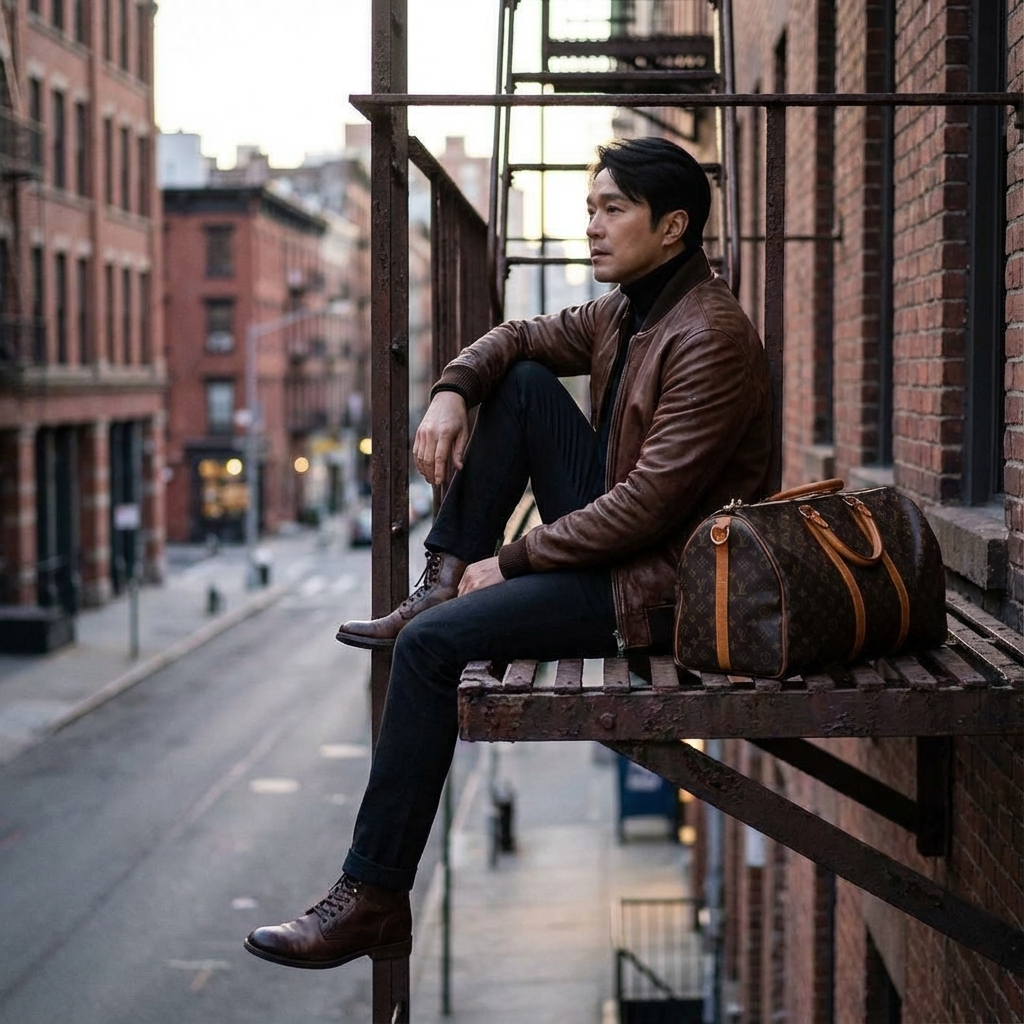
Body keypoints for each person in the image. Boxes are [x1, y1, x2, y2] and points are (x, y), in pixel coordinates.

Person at [244, 136, 772, 970]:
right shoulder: (629, 308)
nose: (591, 227)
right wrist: (453, 389)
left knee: (430, 648)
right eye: (588, 208)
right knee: (521, 381)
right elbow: (520, 333)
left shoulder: (711, 336)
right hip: (617, 545)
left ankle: (374, 897)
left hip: (661, 589)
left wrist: (516, 560)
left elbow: (649, 507)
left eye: (611, 210)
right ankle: (441, 573)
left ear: (673, 227)